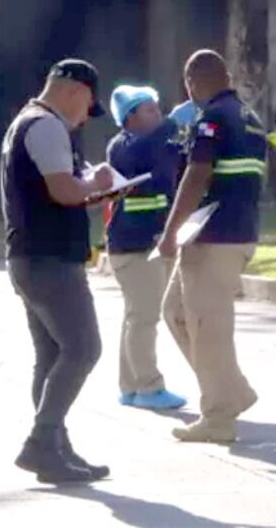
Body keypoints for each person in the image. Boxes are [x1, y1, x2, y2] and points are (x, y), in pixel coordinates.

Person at [2, 59, 114, 484]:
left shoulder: (23, 124)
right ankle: (41, 441)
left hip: (30, 257)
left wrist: (87, 183)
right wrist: (99, 184)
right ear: (73, 90)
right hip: (49, 259)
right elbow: (63, 190)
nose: (86, 116)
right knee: (84, 348)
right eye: (88, 105)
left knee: (50, 357)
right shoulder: (47, 126)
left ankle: (56, 449)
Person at [156, 50, 266, 444]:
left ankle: (218, 417)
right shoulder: (250, 118)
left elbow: (198, 174)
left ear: (191, 81)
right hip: (238, 232)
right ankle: (233, 391)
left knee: (208, 328)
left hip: (213, 236)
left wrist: (170, 231)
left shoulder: (213, 117)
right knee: (177, 314)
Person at [105, 85, 187, 411]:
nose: (159, 113)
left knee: (135, 316)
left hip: (148, 241)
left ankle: (130, 386)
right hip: (135, 245)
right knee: (144, 318)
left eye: (158, 107)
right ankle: (149, 387)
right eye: (149, 109)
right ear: (129, 118)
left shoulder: (155, 143)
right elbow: (154, 150)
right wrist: (174, 122)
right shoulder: (125, 147)